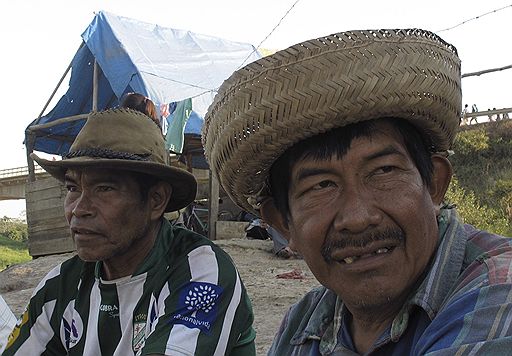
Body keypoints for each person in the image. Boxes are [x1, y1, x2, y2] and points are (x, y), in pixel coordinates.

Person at [202, 29, 512, 354]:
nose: (358, 217)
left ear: (434, 183)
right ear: (282, 223)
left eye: (384, 171)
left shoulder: (500, 292)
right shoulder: (304, 324)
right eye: (321, 186)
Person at [4, 109, 255, 355]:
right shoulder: (59, 288)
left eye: (104, 188)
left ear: (156, 200)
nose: (79, 209)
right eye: (72, 188)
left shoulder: (200, 271)